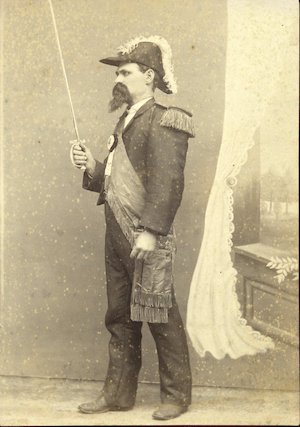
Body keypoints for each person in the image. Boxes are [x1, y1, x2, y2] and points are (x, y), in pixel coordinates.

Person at [71, 36, 195, 421]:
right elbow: (110, 180)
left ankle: (177, 396)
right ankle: (118, 394)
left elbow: (167, 184)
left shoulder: (164, 119)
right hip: (115, 234)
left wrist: (152, 231)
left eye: (125, 72)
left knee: (160, 316)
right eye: (118, 73)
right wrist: (91, 165)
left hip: (144, 235)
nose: (119, 79)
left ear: (149, 76)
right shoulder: (123, 120)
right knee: (119, 316)